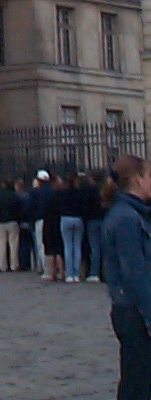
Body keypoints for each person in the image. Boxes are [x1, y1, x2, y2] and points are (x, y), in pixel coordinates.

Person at [101, 154, 151, 400]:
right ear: (138, 180)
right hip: (133, 311)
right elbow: (135, 273)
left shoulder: (134, 213)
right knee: (138, 381)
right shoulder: (126, 218)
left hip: (133, 308)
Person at [60, 171, 85, 283]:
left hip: (65, 218)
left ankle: (69, 274)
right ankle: (76, 273)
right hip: (77, 218)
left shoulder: (63, 192)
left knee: (68, 247)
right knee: (77, 246)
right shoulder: (79, 192)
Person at [0, 179, 22, 271]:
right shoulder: (14, 196)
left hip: (0, 222)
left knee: (1, 245)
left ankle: (3, 266)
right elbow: (19, 209)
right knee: (13, 245)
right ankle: (14, 265)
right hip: (12, 221)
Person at [28, 170, 53, 276]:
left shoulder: (35, 192)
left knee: (40, 244)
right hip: (50, 218)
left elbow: (30, 207)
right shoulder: (52, 190)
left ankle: (44, 268)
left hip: (39, 219)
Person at [84, 170, 105, 283]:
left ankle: (94, 272)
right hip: (103, 218)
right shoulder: (104, 189)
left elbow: (86, 205)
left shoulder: (90, 189)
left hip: (92, 219)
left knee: (94, 247)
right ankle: (104, 271)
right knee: (104, 247)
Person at [43, 175, 66, 282]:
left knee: (50, 251)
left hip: (49, 223)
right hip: (59, 222)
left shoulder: (47, 197)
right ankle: (61, 272)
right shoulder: (62, 196)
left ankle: (52, 274)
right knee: (60, 250)